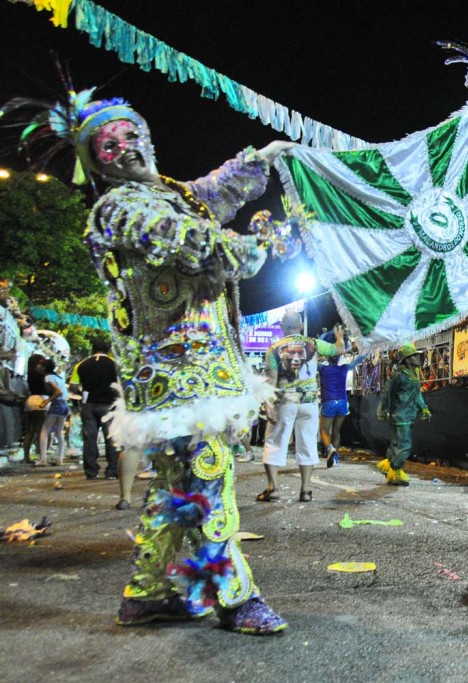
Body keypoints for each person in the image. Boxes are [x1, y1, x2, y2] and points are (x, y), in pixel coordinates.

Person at [21, 89, 299, 632]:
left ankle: (146, 594)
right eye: (107, 145)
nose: (124, 148)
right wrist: (254, 248)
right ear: (95, 162)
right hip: (176, 378)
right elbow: (194, 242)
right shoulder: (120, 206)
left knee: (176, 486)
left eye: (130, 136)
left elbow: (208, 193)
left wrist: (260, 159)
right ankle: (234, 596)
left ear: (146, 138)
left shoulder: (165, 193)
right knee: (207, 477)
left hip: (194, 373)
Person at [259, 312, 345, 503]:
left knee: (275, 442)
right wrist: (339, 337)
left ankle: (273, 489)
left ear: (282, 325)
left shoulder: (274, 348)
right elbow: (339, 350)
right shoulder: (313, 343)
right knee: (307, 444)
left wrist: (267, 404)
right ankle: (305, 491)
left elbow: (271, 380)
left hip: (284, 402)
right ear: (300, 325)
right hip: (309, 403)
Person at [376, 343, 431, 486]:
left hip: (408, 414)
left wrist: (423, 408)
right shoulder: (399, 376)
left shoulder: (414, 375)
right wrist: (383, 410)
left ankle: (388, 467)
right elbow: (387, 394)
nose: (417, 358)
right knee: (404, 445)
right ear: (406, 359)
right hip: (400, 416)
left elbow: (417, 393)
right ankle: (396, 471)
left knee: (396, 444)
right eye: (413, 356)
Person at [68, 340, 120, 480]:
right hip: (110, 405)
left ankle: (91, 471)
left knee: (89, 438)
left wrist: (83, 391)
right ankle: (111, 471)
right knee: (111, 438)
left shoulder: (81, 365)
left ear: (93, 350)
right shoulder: (115, 364)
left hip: (89, 405)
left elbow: (73, 385)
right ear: (108, 350)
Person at [318, 335, 364, 468]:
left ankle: (330, 449)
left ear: (328, 356)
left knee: (324, 432)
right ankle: (336, 458)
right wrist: (366, 349)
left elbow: (310, 361)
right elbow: (359, 359)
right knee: (336, 432)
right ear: (339, 357)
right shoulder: (344, 368)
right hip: (343, 403)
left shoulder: (322, 368)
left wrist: (321, 339)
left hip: (329, 403)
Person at [37, 358, 70, 467]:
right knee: (59, 432)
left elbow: (58, 392)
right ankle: (59, 458)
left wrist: (46, 401)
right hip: (64, 405)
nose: (37, 367)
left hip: (57, 404)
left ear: (44, 367)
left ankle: (43, 459)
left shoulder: (48, 377)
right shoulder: (58, 377)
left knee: (44, 431)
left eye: (39, 365)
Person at [22, 353, 49, 464]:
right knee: (40, 430)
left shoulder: (29, 373)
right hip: (41, 401)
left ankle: (26, 456)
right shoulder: (42, 375)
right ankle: (40, 455)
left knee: (30, 430)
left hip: (31, 400)